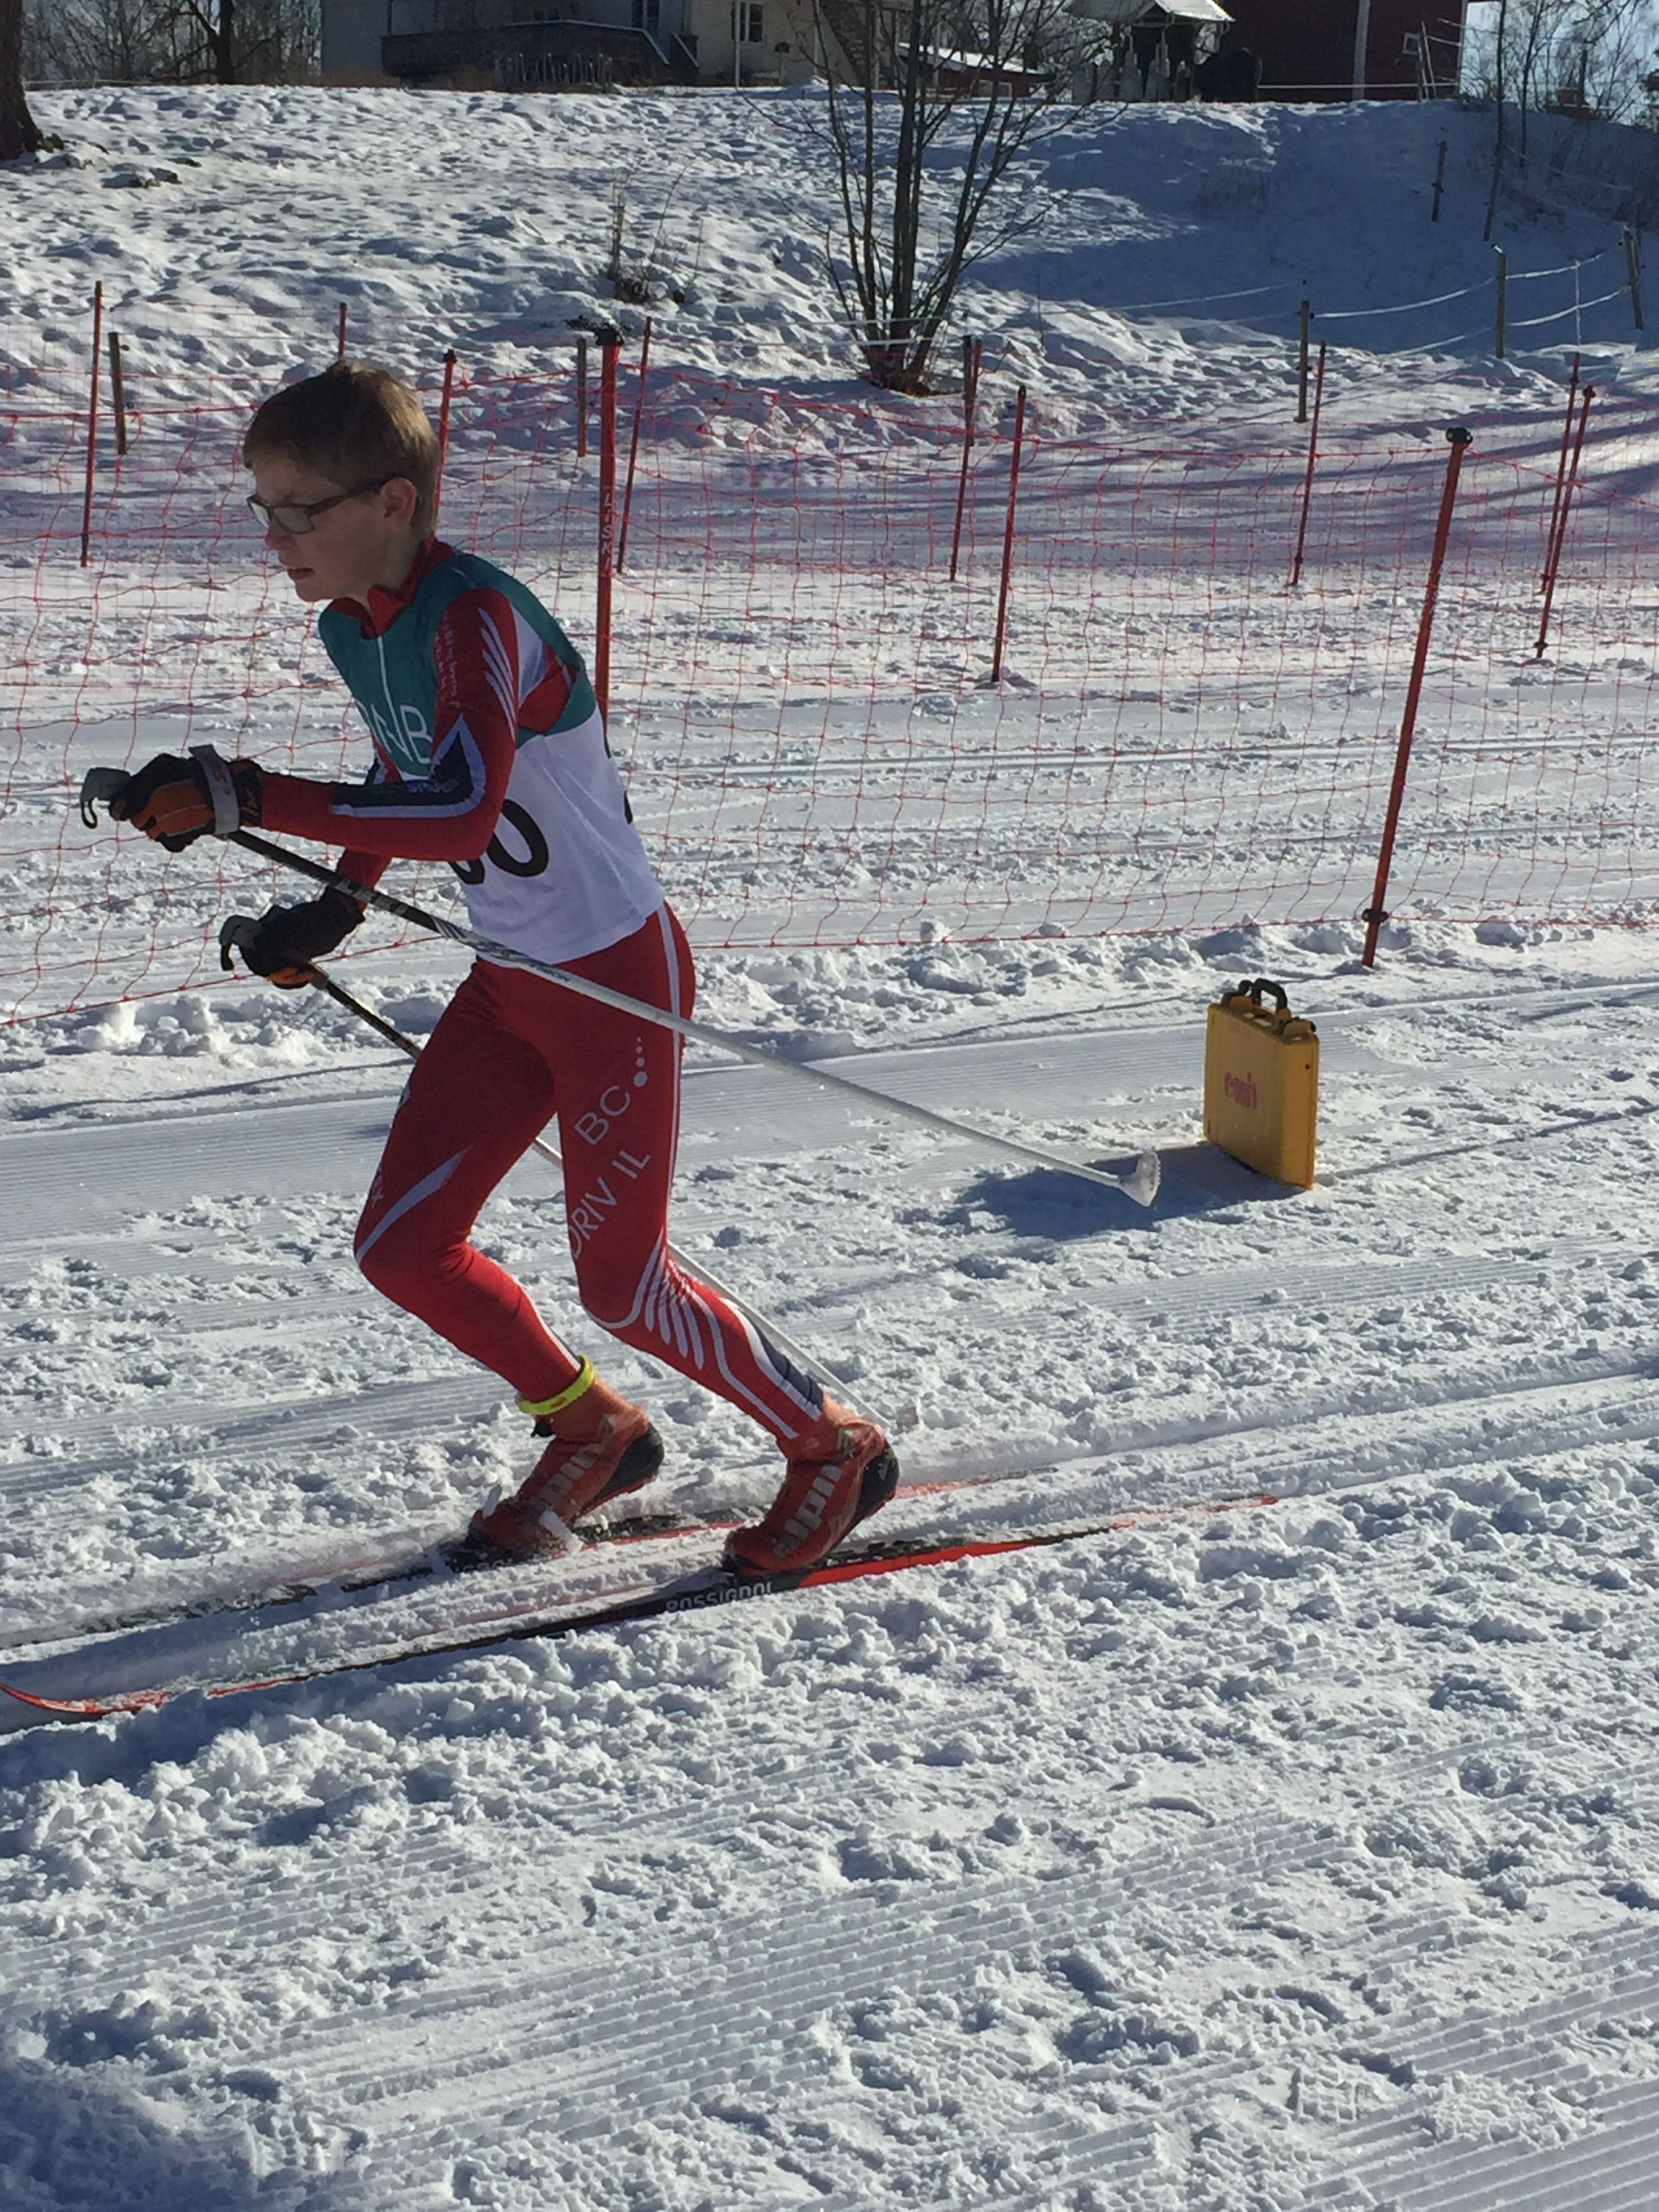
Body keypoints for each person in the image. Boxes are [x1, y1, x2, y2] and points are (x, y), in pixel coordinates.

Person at [106, 360, 897, 1577]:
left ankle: (833, 1443)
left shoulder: (475, 616)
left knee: (626, 1287)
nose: (274, 537)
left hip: (612, 980)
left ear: (395, 502)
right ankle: (594, 1429)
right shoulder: (354, 625)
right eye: (263, 507)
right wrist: (334, 907)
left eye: (298, 510)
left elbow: (466, 810)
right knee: (402, 1247)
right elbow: (405, 770)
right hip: (513, 977)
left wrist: (250, 794)